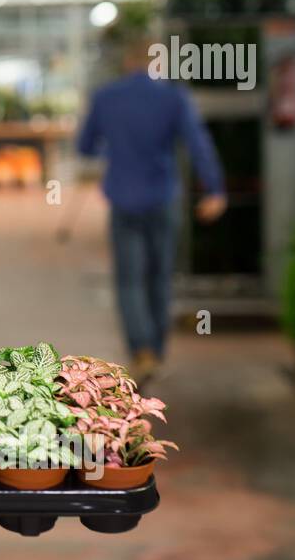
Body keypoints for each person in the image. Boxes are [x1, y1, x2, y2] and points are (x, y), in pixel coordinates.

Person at [77, 31, 228, 384]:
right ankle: (156, 350)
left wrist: (112, 154)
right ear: (157, 63)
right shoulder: (173, 98)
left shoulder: (106, 97)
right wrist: (215, 188)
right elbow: (198, 143)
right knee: (160, 277)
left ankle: (140, 349)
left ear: (128, 61)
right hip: (162, 199)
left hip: (123, 199)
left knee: (129, 279)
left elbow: (85, 147)